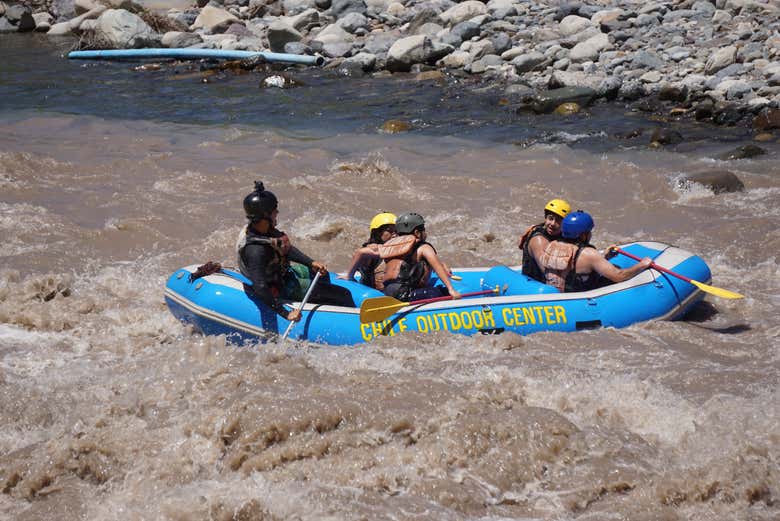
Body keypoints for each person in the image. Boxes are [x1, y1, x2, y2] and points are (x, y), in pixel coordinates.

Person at [237, 181, 355, 323]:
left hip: (283, 273)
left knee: (322, 274)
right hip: (279, 286)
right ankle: (338, 318)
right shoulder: (255, 251)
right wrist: (285, 314)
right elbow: (260, 286)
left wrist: (311, 262)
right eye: (275, 211)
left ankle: (321, 299)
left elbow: (286, 249)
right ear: (265, 216)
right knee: (344, 294)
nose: (277, 213)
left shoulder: (262, 230)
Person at [538, 210, 653, 292]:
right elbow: (619, 276)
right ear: (583, 235)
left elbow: (574, 267)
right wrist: (642, 265)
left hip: (559, 296)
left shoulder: (552, 245)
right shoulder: (589, 254)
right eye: (589, 232)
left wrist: (605, 257)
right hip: (580, 299)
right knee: (616, 269)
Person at [379, 212, 461, 301]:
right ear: (417, 233)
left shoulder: (392, 246)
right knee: (441, 291)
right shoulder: (424, 247)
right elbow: (437, 268)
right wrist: (451, 290)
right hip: (405, 294)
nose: (425, 233)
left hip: (387, 292)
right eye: (424, 230)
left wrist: (442, 264)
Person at [338, 212, 397, 290]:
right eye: (390, 230)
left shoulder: (395, 246)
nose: (394, 234)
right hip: (372, 290)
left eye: (396, 230)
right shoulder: (375, 247)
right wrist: (349, 276)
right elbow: (361, 252)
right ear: (378, 232)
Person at [518, 198, 571, 283]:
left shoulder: (564, 235)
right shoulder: (538, 240)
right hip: (535, 284)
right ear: (545, 218)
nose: (553, 224)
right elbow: (548, 273)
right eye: (550, 218)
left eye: (558, 220)